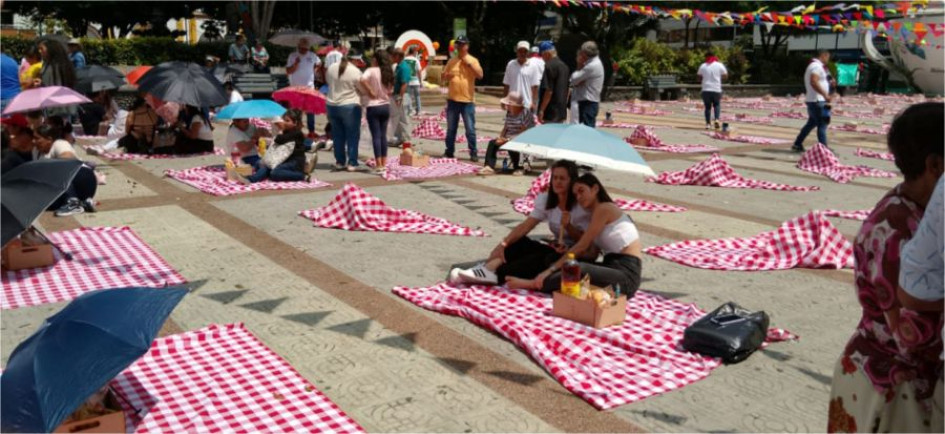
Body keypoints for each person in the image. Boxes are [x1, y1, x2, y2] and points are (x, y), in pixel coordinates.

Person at [827, 102, 944, 433]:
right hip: (895, 388)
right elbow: (907, 334)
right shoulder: (896, 230)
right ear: (934, 164)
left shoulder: (921, 212)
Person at [449, 160, 590, 285]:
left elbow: (588, 244)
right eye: (555, 178)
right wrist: (503, 244)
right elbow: (526, 226)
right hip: (556, 248)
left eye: (562, 179)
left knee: (540, 258)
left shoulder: (581, 206)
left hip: (573, 256)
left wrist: (569, 227)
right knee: (519, 242)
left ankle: (495, 274)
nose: (557, 182)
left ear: (572, 181)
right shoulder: (548, 201)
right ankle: (488, 269)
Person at [505, 173, 642, 296]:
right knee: (569, 265)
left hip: (627, 275)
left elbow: (582, 245)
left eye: (581, 191)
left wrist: (550, 270)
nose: (579, 197)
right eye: (575, 194)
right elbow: (591, 254)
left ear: (595, 189)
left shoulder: (604, 208)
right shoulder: (594, 215)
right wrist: (567, 248)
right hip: (610, 266)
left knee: (579, 269)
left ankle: (533, 283)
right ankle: (538, 280)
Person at [31, 124, 98, 216]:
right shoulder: (36, 152)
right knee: (46, 204)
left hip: (81, 176)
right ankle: (83, 203)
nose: (33, 141)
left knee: (55, 168)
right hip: (70, 187)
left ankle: (72, 202)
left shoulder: (59, 143)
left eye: (37, 138)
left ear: (49, 139)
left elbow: (69, 160)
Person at [233, 109, 307, 184]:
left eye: (287, 121)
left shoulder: (297, 133)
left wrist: (281, 132)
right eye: (284, 120)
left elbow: (278, 140)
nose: (284, 122)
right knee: (265, 164)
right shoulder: (287, 131)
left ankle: (301, 176)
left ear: (295, 123)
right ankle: (251, 179)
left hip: (295, 162)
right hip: (284, 159)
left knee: (274, 173)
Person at [441, 35, 483, 160]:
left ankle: (473, 152)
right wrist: (446, 76)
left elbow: (480, 75)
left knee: (470, 129)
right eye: (458, 44)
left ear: (467, 46)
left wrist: (469, 64)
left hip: (467, 101)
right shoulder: (452, 61)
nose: (459, 46)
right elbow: (443, 76)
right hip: (453, 100)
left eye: (462, 44)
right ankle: (449, 151)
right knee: (451, 129)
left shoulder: (473, 60)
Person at [326, 50, 364, 172]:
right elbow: (362, 89)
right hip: (349, 105)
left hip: (332, 105)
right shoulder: (355, 71)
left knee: (337, 135)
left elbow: (328, 82)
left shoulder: (331, 67)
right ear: (355, 60)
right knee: (352, 135)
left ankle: (339, 161)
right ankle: (352, 162)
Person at [479, 91, 533, 176]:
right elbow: (505, 128)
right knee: (492, 143)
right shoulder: (509, 112)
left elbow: (523, 132)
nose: (507, 106)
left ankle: (519, 167)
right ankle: (489, 166)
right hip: (508, 138)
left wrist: (508, 140)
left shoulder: (526, 113)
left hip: (522, 139)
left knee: (513, 144)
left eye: (508, 104)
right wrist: (501, 137)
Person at [360, 50, 393, 174]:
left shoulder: (371, 70)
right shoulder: (388, 71)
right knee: (383, 136)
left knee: (376, 136)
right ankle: (384, 163)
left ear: (376, 59)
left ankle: (378, 164)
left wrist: (370, 90)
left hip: (373, 106)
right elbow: (391, 90)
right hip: (385, 105)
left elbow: (362, 79)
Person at [793, 50, 832, 153]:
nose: (828, 60)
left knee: (812, 123)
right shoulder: (816, 66)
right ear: (823, 55)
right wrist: (825, 94)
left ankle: (797, 143)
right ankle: (824, 150)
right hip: (818, 100)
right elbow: (813, 81)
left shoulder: (814, 66)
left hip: (814, 100)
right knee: (822, 124)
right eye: (828, 57)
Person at [286, 37, 321, 136]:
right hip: (295, 88)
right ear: (298, 47)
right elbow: (288, 71)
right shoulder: (293, 56)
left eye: (306, 49)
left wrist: (315, 70)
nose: (304, 50)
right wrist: (295, 64)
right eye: (302, 48)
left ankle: (311, 131)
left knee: (310, 110)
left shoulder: (312, 55)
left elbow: (319, 63)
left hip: (309, 87)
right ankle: (295, 130)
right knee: (296, 111)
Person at [570, 41, 605, 128]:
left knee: (586, 130)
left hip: (588, 103)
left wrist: (579, 64)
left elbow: (573, 80)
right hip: (589, 102)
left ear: (585, 54)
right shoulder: (593, 63)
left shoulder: (591, 66)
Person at [502, 41, 541, 112]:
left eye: (525, 51)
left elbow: (535, 87)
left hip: (527, 104)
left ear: (528, 53)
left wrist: (534, 102)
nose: (522, 53)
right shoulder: (511, 65)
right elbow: (506, 84)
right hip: (512, 104)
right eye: (520, 51)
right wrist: (504, 100)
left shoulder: (533, 66)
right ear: (516, 52)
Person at [537, 41, 569, 124]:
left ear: (547, 54)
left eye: (542, 55)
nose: (542, 58)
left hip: (550, 111)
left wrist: (541, 110)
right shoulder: (565, 66)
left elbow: (549, 91)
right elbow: (567, 90)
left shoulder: (549, 66)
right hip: (561, 110)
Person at [697, 53, 728, 130]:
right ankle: (716, 119)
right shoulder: (719, 65)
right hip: (716, 89)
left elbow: (699, 77)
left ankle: (708, 124)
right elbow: (725, 75)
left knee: (707, 107)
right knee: (717, 105)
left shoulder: (703, 66)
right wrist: (719, 78)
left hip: (706, 89)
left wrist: (703, 80)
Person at [388, 47, 411, 147]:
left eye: (393, 56)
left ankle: (407, 140)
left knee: (403, 118)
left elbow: (404, 83)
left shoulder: (403, 67)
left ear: (398, 56)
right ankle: (400, 138)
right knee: (397, 118)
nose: (391, 57)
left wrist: (400, 97)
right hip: (397, 94)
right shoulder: (398, 66)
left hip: (402, 95)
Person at [404, 45, 424, 116]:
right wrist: (420, 81)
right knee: (417, 96)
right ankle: (419, 110)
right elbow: (419, 71)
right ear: (414, 52)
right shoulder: (416, 60)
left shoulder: (404, 60)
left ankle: (410, 111)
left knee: (408, 96)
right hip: (415, 81)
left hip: (407, 81)